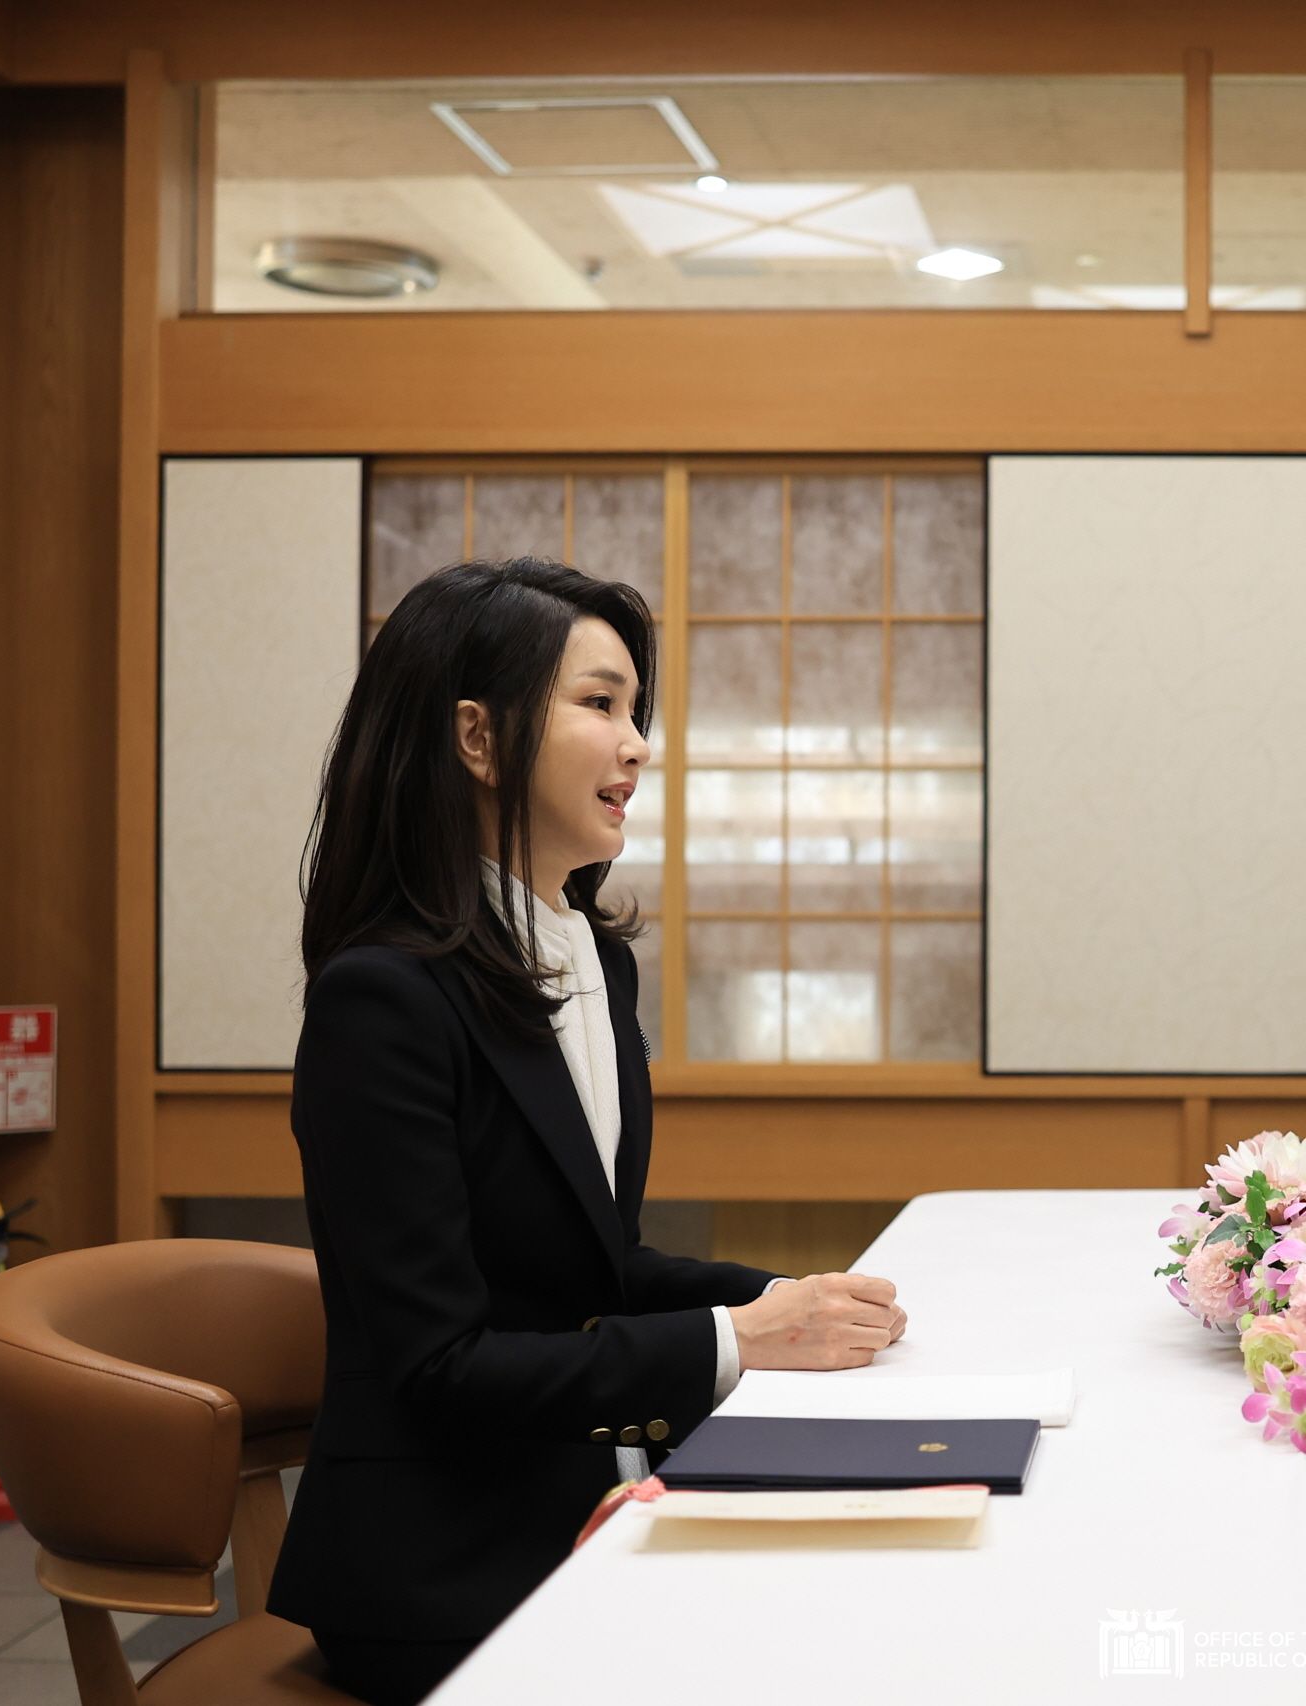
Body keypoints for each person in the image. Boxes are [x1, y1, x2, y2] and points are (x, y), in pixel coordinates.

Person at [271, 559, 910, 1704]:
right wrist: (739, 1336)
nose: (637, 743)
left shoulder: (591, 958)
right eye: (599, 703)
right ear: (478, 736)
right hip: (446, 1562)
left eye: (636, 710)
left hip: (590, 1490)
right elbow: (439, 1363)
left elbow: (591, 1268)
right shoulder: (383, 999)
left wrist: (799, 1300)